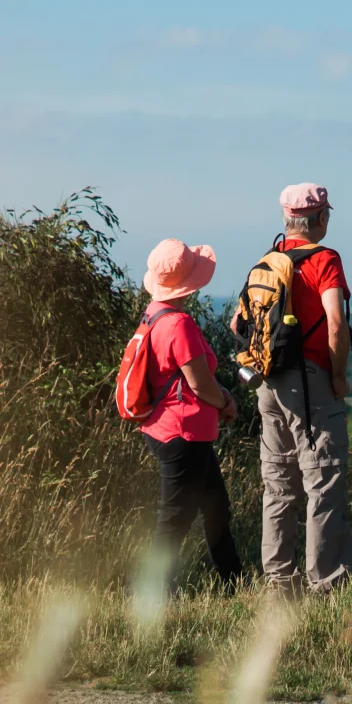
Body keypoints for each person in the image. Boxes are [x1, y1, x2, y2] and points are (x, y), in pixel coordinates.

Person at [249, 183, 352, 596]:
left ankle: (279, 585)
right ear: (321, 218)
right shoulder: (326, 260)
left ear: (286, 219)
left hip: (269, 380)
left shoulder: (269, 260)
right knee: (324, 481)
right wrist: (338, 375)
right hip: (310, 383)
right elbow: (335, 322)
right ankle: (326, 587)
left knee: (278, 484)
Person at [141, 237, 242, 591]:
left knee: (216, 509)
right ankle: (155, 596)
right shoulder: (178, 324)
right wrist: (226, 402)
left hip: (170, 429)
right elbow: (200, 384)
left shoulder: (153, 314)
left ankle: (234, 585)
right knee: (174, 521)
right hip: (183, 434)